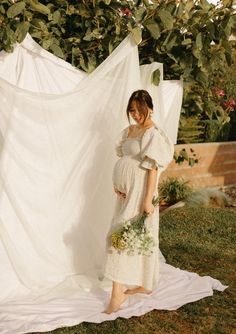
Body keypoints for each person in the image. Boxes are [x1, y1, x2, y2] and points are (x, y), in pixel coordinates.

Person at [103, 90, 174, 314]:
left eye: (139, 110)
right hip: (126, 192)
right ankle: (145, 283)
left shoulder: (153, 133)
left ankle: (117, 294)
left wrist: (147, 200)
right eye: (132, 110)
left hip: (141, 192)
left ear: (149, 108)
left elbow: (153, 168)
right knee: (132, 235)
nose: (135, 114)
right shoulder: (131, 130)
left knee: (121, 237)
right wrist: (118, 183)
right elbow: (124, 157)